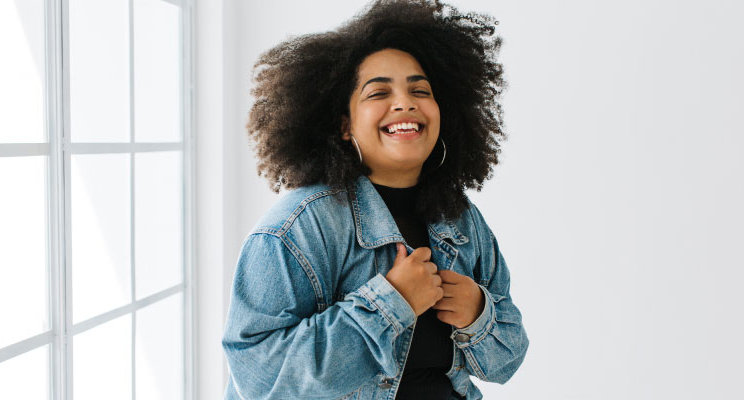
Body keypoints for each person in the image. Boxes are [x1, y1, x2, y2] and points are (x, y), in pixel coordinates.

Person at [222, 1, 529, 398]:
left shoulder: (461, 220)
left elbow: (508, 360)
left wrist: (476, 314)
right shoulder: (296, 228)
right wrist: (391, 304)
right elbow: (260, 379)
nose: (405, 102)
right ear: (345, 125)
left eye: (420, 90)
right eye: (378, 92)